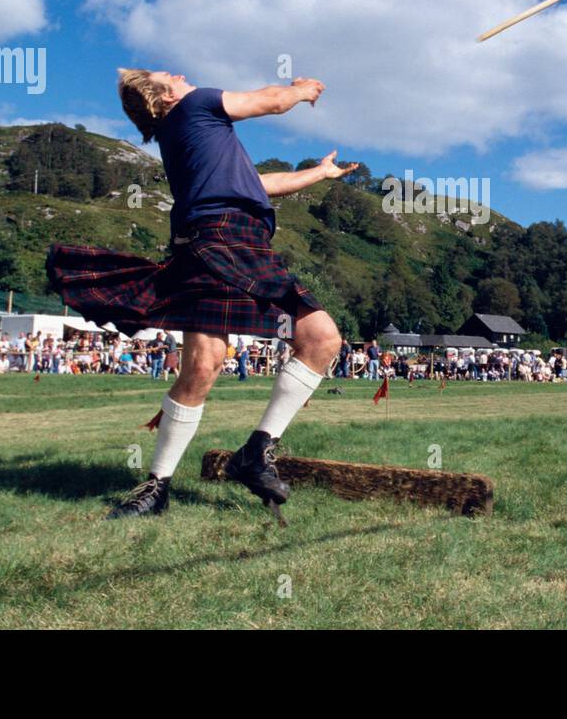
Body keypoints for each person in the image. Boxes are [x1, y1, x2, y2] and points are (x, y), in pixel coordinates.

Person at [47, 69, 357, 524]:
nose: (179, 73)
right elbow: (270, 100)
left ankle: (255, 453)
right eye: (167, 75)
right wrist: (303, 91)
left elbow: (260, 184)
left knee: (314, 342)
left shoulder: (195, 135)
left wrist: (320, 172)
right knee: (208, 362)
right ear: (165, 96)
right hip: (218, 238)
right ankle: (157, 486)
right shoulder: (197, 106)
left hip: (240, 240)